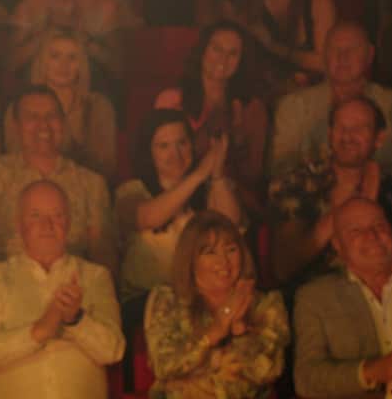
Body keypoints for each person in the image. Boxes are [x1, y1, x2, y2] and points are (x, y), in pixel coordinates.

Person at [0, 180, 124, 398]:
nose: (47, 225)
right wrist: (39, 331)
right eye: (35, 215)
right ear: (19, 224)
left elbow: (113, 350)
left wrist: (76, 320)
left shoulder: (95, 276)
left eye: (57, 215)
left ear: (68, 223)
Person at [293, 198, 392, 398]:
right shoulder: (313, 298)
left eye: (379, 226)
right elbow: (306, 380)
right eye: (356, 231)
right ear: (338, 245)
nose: (372, 236)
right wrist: (372, 371)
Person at [0, 86, 118, 277]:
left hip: (71, 286)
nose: (43, 125)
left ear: (63, 123)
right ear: (16, 125)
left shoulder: (91, 183)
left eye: (51, 116)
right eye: (32, 117)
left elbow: (103, 255)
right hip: (6, 285)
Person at [269, 97, 392, 285]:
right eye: (340, 127)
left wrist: (374, 217)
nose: (348, 135)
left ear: (379, 138)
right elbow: (284, 268)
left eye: (360, 128)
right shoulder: (296, 184)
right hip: (317, 297)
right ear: (330, 134)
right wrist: (353, 205)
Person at [144, 211, 290, 398]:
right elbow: (164, 365)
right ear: (191, 260)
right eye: (210, 252)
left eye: (230, 249)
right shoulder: (167, 300)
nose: (223, 262)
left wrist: (239, 329)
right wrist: (215, 330)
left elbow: (268, 371)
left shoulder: (267, 304)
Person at [269, 21, 392, 187]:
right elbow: (278, 169)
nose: (342, 57)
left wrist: (366, 178)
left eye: (353, 49)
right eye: (334, 49)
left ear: (370, 54)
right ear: (324, 55)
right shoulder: (292, 107)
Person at [115, 109, 243, 303]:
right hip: (147, 300)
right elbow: (148, 218)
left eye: (182, 143)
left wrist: (216, 173)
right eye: (163, 146)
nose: (175, 154)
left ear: (192, 146)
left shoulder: (209, 189)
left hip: (201, 298)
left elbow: (231, 225)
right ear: (148, 152)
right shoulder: (130, 191)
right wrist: (200, 174)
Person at [154, 21, 269, 203]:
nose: (223, 59)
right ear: (202, 50)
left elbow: (253, 175)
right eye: (217, 49)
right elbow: (161, 167)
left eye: (233, 53)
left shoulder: (252, 108)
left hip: (230, 197)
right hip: (181, 195)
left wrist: (238, 137)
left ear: (241, 61)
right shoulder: (171, 100)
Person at [5, 32, 117, 179]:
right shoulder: (18, 107)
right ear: (43, 62)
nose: (63, 65)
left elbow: (105, 165)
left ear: (81, 65)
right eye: (55, 56)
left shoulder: (98, 106)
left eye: (72, 58)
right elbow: (13, 160)